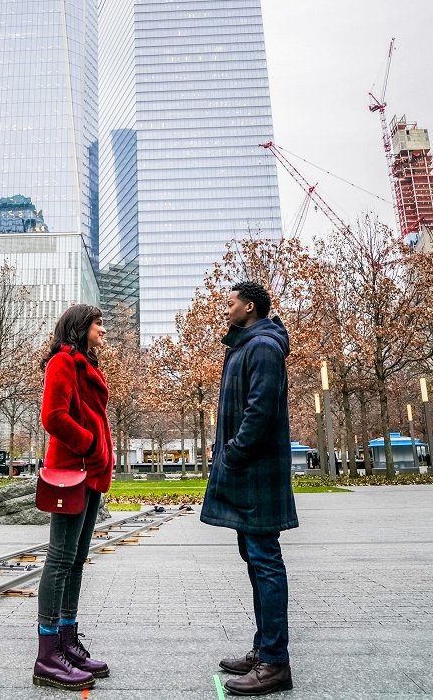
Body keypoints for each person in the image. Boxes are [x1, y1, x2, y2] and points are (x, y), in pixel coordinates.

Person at [201, 281, 298, 696]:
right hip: (248, 473)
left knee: (264, 561)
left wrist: (234, 452)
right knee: (255, 559)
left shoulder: (262, 347)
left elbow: (260, 410)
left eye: (232, 303)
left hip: (255, 473)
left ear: (250, 307)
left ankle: (276, 662)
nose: (227, 309)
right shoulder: (247, 345)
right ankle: (264, 649)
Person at [33, 303, 113, 691]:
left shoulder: (85, 363)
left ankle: (67, 641)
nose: (103, 330)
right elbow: (53, 416)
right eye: (99, 324)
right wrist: (90, 444)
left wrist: (96, 455)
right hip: (71, 471)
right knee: (61, 558)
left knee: (77, 559)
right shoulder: (62, 364)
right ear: (81, 327)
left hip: (90, 473)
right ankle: (47, 655)